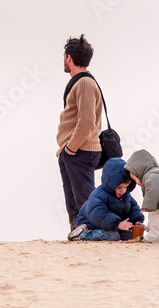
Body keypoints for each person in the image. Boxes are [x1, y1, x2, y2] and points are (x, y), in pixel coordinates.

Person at [56, 34, 102, 231]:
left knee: (83, 202)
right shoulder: (82, 82)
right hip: (75, 151)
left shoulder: (84, 83)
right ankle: (79, 234)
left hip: (80, 150)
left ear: (68, 58)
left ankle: (90, 235)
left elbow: (86, 122)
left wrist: (70, 148)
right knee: (75, 204)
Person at [68, 158, 144, 241]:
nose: (123, 190)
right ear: (111, 183)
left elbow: (133, 207)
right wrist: (116, 224)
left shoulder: (125, 195)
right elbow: (97, 213)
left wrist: (137, 220)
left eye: (126, 187)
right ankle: (82, 234)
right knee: (114, 236)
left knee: (130, 235)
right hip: (91, 224)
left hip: (111, 226)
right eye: (119, 187)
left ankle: (116, 230)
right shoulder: (99, 195)